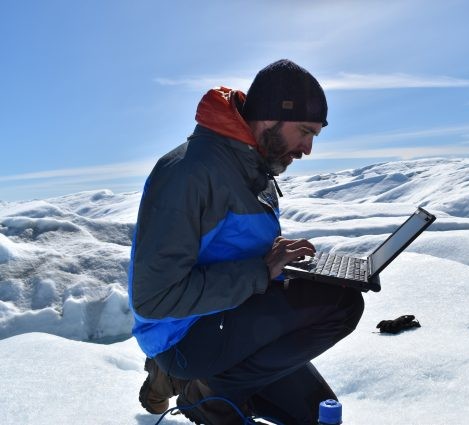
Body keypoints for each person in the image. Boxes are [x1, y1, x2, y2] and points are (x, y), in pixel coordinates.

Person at [128, 59, 365, 425]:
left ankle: (192, 379)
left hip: (228, 315)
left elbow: (225, 244)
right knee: (342, 304)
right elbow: (154, 297)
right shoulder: (188, 174)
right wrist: (260, 270)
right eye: (305, 131)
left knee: (315, 416)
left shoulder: (251, 165)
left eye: (314, 135)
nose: (307, 149)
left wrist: (278, 257)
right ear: (268, 117)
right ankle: (200, 390)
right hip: (183, 334)